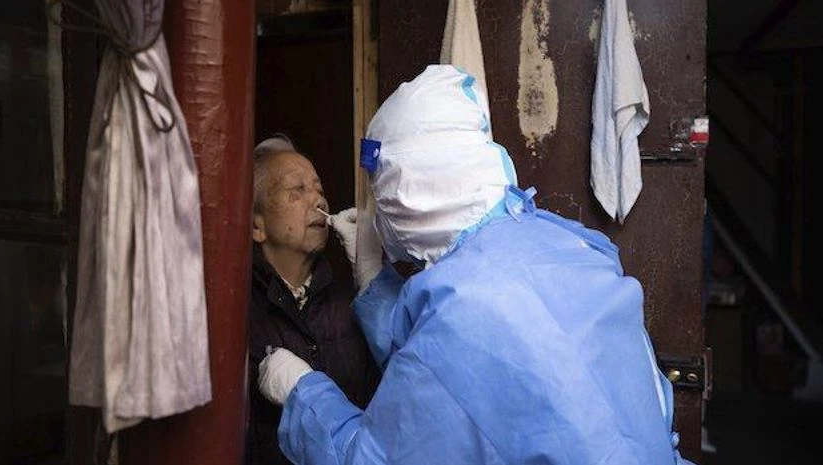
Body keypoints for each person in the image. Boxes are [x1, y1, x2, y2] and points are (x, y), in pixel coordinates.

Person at [256, 66, 697, 465]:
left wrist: (304, 392)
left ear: (403, 192)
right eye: (294, 190)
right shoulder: (563, 243)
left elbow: (383, 448)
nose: (317, 199)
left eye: (379, 189)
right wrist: (375, 281)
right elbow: (448, 374)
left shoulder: (462, 315)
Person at [246, 134, 381, 465]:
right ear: (256, 226)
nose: (318, 201)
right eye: (297, 191)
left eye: (319, 189)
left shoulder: (350, 304)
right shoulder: (237, 312)